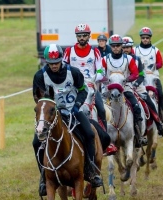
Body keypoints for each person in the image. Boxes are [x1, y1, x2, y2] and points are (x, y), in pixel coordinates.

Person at [32, 44, 103, 196]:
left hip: (72, 110)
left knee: (89, 134)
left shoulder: (74, 72)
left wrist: (77, 105)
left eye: (56, 62)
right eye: (51, 63)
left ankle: (90, 171)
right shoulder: (39, 76)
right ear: (47, 62)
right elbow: (37, 98)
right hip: (51, 115)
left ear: (61, 60)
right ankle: (44, 178)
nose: (54, 66)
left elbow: (83, 90)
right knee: (36, 142)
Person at [63, 23, 117, 156]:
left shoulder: (95, 52)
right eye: (79, 36)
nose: (82, 38)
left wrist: (94, 78)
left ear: (88, 37)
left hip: (90, 86)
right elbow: (64, 68)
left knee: (102, 109)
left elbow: (100, 70)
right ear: (77, 37)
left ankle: (106, 141)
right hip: (74, 88)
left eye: (84, 36)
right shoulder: (69, 51)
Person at [122, 36, 163, 138]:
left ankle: (159, 125)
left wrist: (135, 84)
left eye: (128, 47)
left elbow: (142, 75)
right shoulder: (119, 61)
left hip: (138, 87)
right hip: (122, 88)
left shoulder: (137, 60)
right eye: (124, 47)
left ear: (131, 48)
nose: (125, 50)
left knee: (150, 103)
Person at [101, 35, 144, 145]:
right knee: (99, 109)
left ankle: (138, 135)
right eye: (113, 46)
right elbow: (100, 73)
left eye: (118, 45)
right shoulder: (105, 59)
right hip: (109, 89)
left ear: (121, 46)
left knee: (136, 106)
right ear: (110, 46)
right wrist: (106, 80)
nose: (116, 48)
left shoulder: (128, 59)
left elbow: (135, 73)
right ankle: (101, 136)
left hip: (125, 88)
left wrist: (126, 79)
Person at [134, 27, 163, 123]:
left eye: (147, 38)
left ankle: (162, 116)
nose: (145, 40)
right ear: (140, 38)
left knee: (160, 94)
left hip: (153, 76)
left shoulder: (155, 50)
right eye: (143, 38)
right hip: (140, 76)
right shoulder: (135, 50)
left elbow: (161, 63)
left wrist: (154, 66)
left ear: (150, 38)